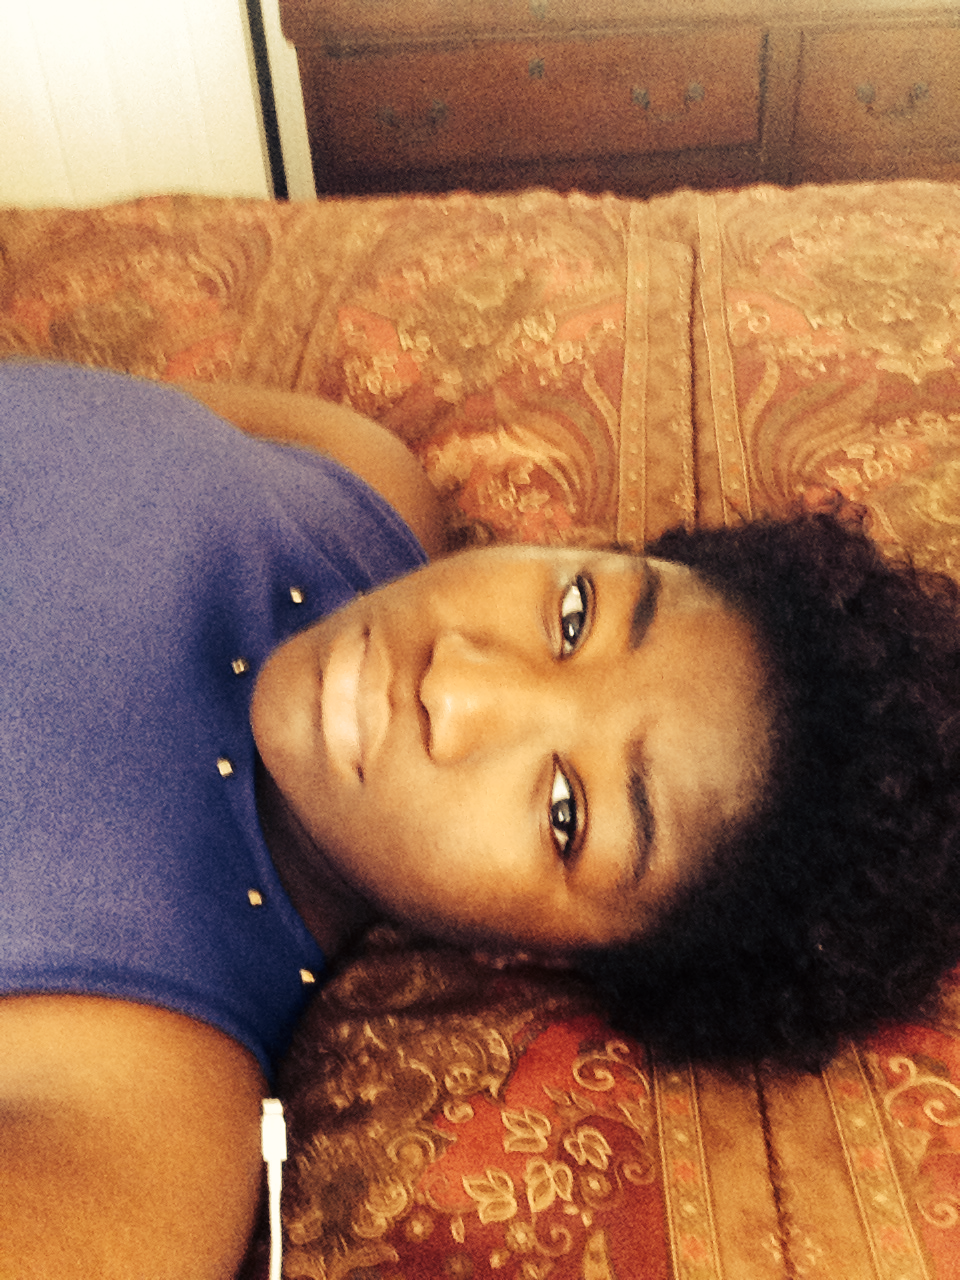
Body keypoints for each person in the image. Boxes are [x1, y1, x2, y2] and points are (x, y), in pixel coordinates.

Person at [2, 361, 959, 1278]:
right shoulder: (365, 482)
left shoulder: (140, 1129)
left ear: (529, 956)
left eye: (565, 812)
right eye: (576, 614)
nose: (455, 685)